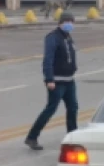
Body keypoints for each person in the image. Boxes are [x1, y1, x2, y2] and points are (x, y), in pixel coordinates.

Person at [24, 13, 78, 150]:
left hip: (69, 81)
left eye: (71, 22)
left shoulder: (68, 37)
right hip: (57, 81)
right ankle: (32, 137)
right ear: (60, 22)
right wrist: (49, 79)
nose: (70, 24)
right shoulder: (52, 37)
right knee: (50, 109)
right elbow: (48, 60)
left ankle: (73, 138)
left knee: (73, 108)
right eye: (67, 21)